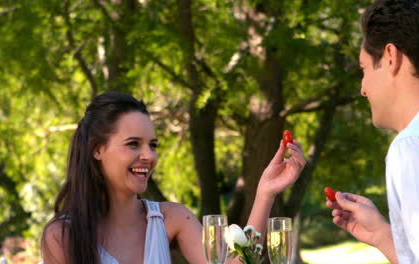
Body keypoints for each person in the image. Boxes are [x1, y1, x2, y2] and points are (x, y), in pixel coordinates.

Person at [41, 92, 306, 264]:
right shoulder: (62, 236)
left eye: (153, 145)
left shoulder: (173, 219)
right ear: (97, 150)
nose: (149, 156)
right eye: (133, 144)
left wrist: (265, 193)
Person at [326, 0, 419, 263]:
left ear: (391, 57)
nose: (363, 89)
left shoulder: (417, 145)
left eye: (364, 69)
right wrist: (383, 235)